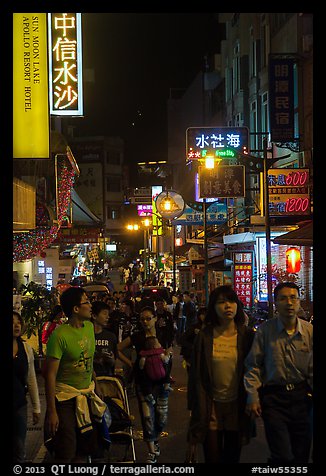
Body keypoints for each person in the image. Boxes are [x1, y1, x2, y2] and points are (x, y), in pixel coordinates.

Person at [244, 282, 313, 464]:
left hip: (302, 397)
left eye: (293, 298)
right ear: (275, 303)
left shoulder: (309, 332)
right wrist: (253, 396)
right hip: (274, 398)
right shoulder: (265, 331)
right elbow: (253, 365)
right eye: (283, 298)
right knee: (281, 454)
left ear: (299, 302)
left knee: (302, 453)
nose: (289, 302)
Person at [187, 285, 255, 463]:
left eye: (231, 301)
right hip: (211, 405)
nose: (228, 306)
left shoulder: (247, 336)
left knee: (232, 456)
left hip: (236, 404)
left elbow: (254, 368)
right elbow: (196, 374)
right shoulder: (205, 336)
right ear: (213, 307)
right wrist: (193, 408)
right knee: (212, 456)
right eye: (221, 302)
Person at [44, 287, 108, 463]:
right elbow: (49, 375)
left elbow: (89, 359)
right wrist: (51, 411)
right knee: (67, 449)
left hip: (86, 395)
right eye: (86, 301)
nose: (90, 305)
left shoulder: (88, 327)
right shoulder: (59, 335)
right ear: (76, 309)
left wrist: (96, 384)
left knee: (84, 447)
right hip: (65, 398)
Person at [117, 306, 173, 463]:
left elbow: (169, 351)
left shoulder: (163, 334)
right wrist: (131, 363)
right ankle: (152, 452)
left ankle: (155, 439)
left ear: (155, 318)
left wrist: (167, 359)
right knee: (147, 417)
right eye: (142, 319)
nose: (145, 322)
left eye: (149, 318)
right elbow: (118, 349)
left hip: (162, 382)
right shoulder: (137, 336)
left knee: (161, 418)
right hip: (143, 382)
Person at [13, 310, 41, 463]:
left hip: (19, 405)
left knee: (19, 447)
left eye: (18, 322)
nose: (16, 326)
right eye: (12, 322)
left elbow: (31, 379)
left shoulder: (26, 349)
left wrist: (36, 408)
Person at [92, 301, 118, 377]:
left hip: (106, 378)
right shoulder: (86, 336)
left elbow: (114, 362)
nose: (108, 317)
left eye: (108, 314)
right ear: (94, 316)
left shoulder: (111, 336)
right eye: (104, 313)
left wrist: (111, 360)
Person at [180, 306, 206, 375]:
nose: (203, 316)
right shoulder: (194, 327)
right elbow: (182, 339)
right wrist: (193, 347)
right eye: (202, 314)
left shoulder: (211, 328)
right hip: (192, 356)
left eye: (206, 314)